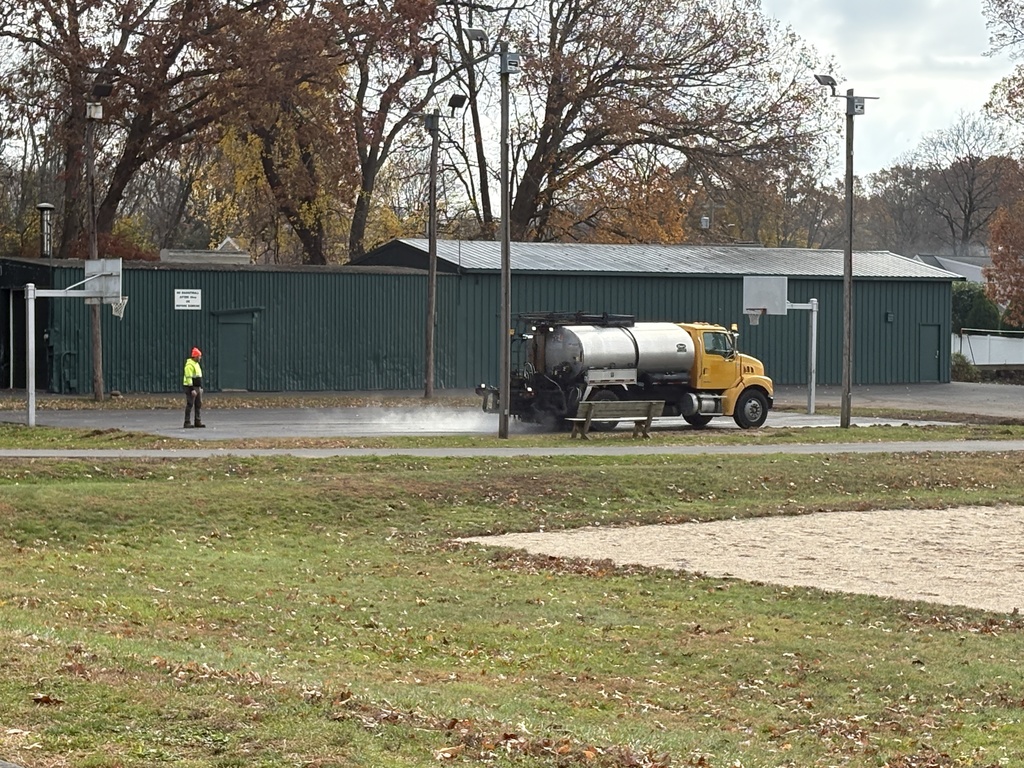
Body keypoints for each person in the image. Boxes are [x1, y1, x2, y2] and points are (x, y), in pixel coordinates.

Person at [183, 347, 205, 428]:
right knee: (190, 404)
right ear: (195, 356)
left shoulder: (196, 364)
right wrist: (192, 389)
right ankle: (187, 422)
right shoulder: (189, 365)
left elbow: (198, 377)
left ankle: (197, 421)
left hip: (197, 387)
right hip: (191, 387)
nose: (200, 358)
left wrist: (200, 387)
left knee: (198, 404)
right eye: (199, 356)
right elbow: (189, 378)